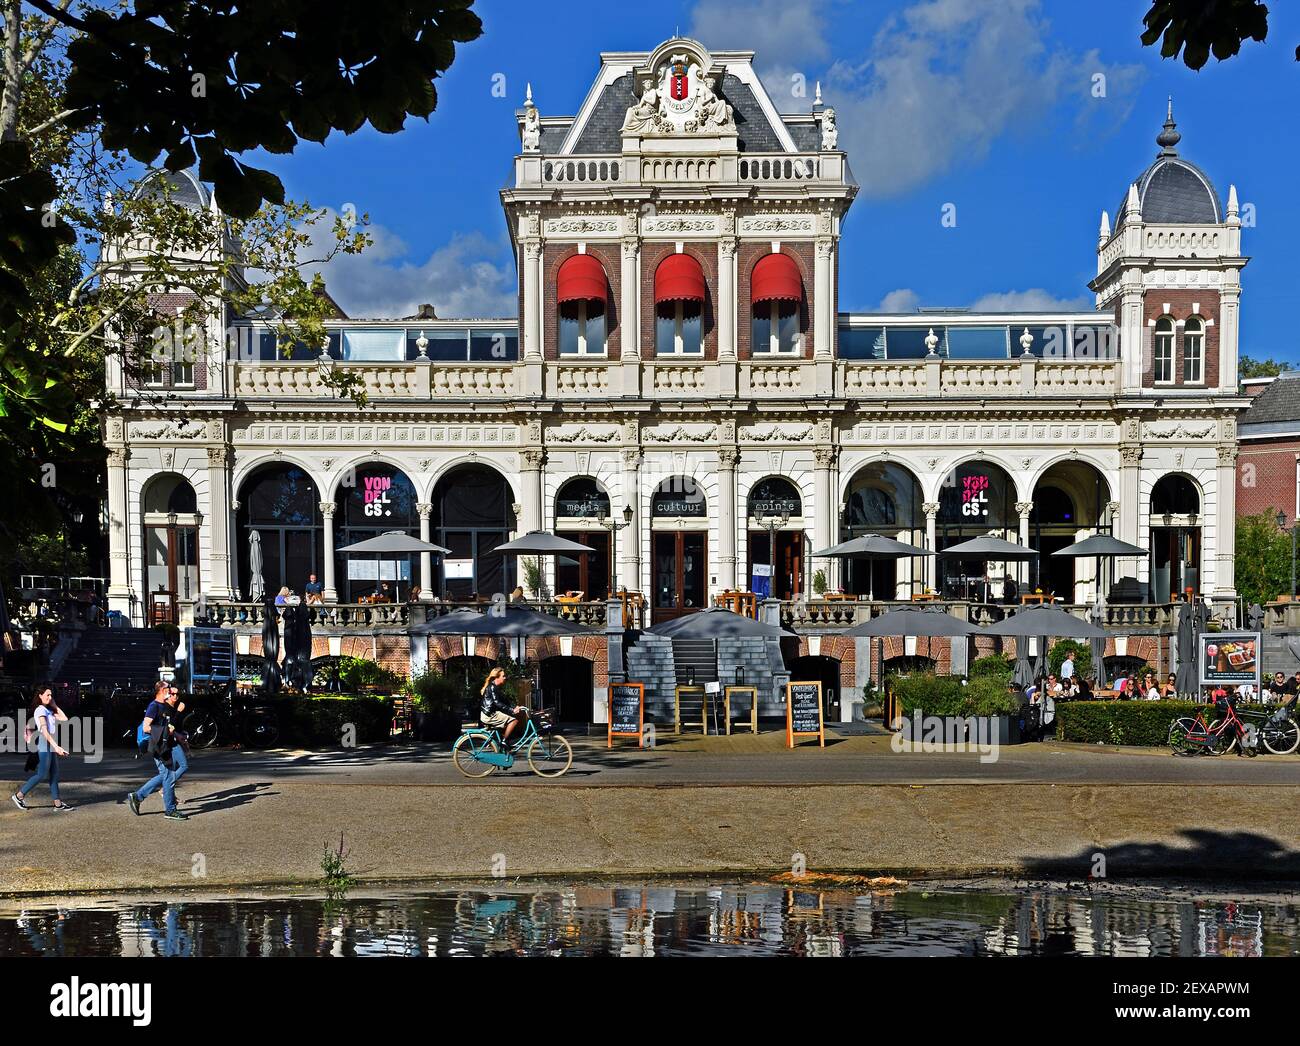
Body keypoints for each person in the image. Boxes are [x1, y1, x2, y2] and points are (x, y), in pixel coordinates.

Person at [128, 681, 188, 821]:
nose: (170, 690)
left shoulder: (164, 705)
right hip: (159, 746)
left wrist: (177, 735)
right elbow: (146, 727)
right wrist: (166, 731)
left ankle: (138, 796)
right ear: (161, 690)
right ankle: (170, 810)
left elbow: (168, 727)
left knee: (167, 776)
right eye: (168, 688)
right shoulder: (154, 706)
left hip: (167, 744)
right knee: (168, 777)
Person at [11, 684, 73, 811]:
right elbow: (44, 730)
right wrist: (56, 747)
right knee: (42, 774)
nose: (50, 697)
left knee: (54, 774)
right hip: (45, 743)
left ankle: (58, 804)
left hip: (50, 743)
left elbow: (65, 718)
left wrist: (54, 705)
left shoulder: (49, 710)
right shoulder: (40, 710)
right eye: (47, 695)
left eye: (51, 695)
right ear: (40, 696)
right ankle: (19, 796)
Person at [480, 667, 529, 750]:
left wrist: (514, 707)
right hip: (489, 715)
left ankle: (503, 743)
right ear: (497, 677)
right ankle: (504, 741)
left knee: (509, 723)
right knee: (513, 721)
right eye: (503, 676)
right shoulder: (492, 687)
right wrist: (511, 710)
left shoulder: (496, 687)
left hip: (491, 713)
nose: (505, 678)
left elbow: (505, 701)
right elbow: (497, 703)